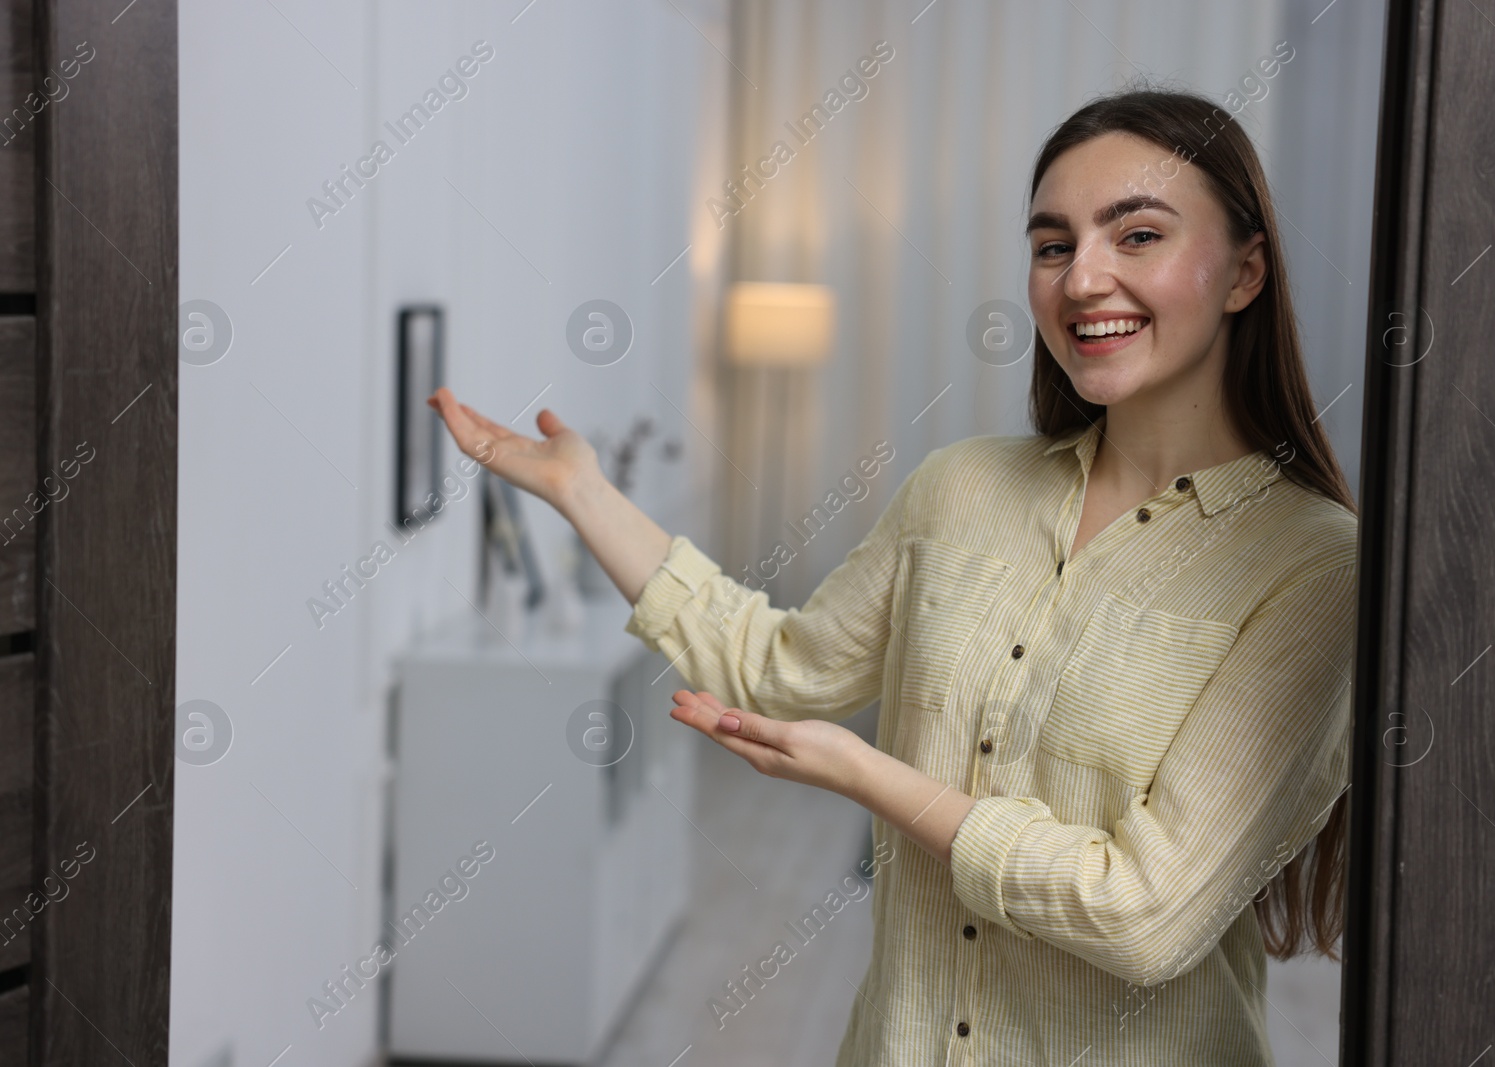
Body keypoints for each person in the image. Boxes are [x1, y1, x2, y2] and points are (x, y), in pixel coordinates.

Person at [429, 86, 1359, 1066]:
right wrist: (585, 495)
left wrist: (866, 773)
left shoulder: (1311, 561)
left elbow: (1143, 914)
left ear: (1244, 271)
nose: (1084, 277)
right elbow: (778, 665)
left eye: (1136, 236)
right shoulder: (959, 488)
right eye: (1052, 245)